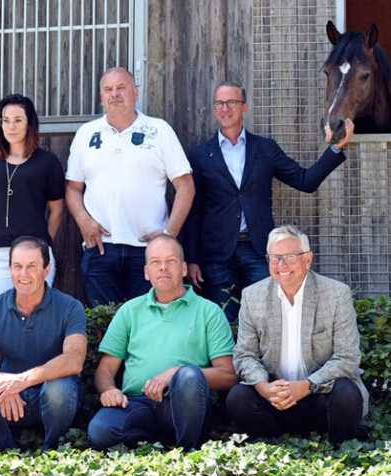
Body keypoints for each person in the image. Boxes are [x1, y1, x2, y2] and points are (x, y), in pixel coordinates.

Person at [182, 81, 355, 324]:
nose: (225, 108)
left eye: (232, 102)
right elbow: (193, 212)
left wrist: (335, 148)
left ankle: (262, 364)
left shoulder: (264, 148)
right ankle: (230, 364)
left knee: (266, 320)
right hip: (216, 255)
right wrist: (191, 259)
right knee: (224, 322)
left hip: (258, 250)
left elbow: (305, 181)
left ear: (244, 108)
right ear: (214, 109)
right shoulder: (200, 155)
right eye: (219, 103)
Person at [87, 234, 237, 451]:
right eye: (156, 262)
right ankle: (158, 444)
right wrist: (109, 390)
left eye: (171, 261)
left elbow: (229, 376)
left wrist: (176, 373)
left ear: (184, 269)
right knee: (100, 430)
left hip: (184, 406)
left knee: (188, 376)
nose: (163, 268)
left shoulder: (209, 312)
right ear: (147, 272)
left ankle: (186, 451)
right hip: (136, 404)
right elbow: (105, 370)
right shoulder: (130, 311)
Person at [226, 225, 368, 444]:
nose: (281, 265)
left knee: (346, 392)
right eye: (275, 258)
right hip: (276, 399)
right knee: (238, 396)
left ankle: (341, 450)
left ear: (307, 260)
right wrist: (264, 387)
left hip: (320, 394)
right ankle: (275, 447)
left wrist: (306, 386)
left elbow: (347, 357)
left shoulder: (336, 294)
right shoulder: (252, 296)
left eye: (290, 257)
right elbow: (245, 355)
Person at [66, 66, 194, 307]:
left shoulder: (159, 131)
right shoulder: (86, 134)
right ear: (102, 97)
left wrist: (169, 234)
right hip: (100, 248)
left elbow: (186, 186)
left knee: (148, 323)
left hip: (149, 251)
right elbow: (72, 188)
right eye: (108, 89)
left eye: (121, 88)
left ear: (135, 93)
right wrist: (84, 221)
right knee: (106, 327)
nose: (115, 94)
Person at [0, 236, 87, 451]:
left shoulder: (70, 307)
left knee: (60, 388)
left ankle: (52, 451)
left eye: (32, 266)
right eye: (17, 266)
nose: (23, 274)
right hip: (9, 399)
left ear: (47, 270)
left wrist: (21, 381)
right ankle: (5, 451)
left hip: (50, 396)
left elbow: (74, 360)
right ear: (9, 269)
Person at [0, 94, 65, 299]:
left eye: (18, 120)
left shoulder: (47, 161)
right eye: (5, 121)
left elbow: (57, 210)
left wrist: (42, 243)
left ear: (29, 124)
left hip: (35, 254)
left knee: (35, 315)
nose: (11, 126)